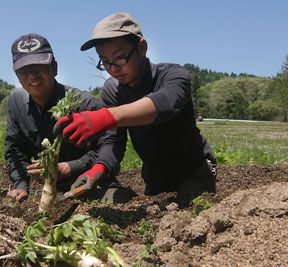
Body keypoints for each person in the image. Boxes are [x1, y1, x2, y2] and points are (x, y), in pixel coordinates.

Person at [54, 13, 217, 203]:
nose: (113, 68)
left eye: (120, 57)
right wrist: (100, 167)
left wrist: (106, 117)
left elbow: (164, 104)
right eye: (105, 61)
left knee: (188, 216)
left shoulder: (173, 75)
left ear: (142, 48)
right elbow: (113, 141)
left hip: (195, 172)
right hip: (156, 177)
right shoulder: (112, 92)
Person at [5, 33, 129, 203]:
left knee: (116, 201)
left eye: (39, 67)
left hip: (91, 184)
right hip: (51, 192)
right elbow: (14, 148)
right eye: (24, 70)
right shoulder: (16, 102)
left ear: (54, 68)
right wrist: (20, 185)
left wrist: (70, 167)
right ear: (17, 74)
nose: (32, 75)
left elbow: (109, 148)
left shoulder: (85, 104)